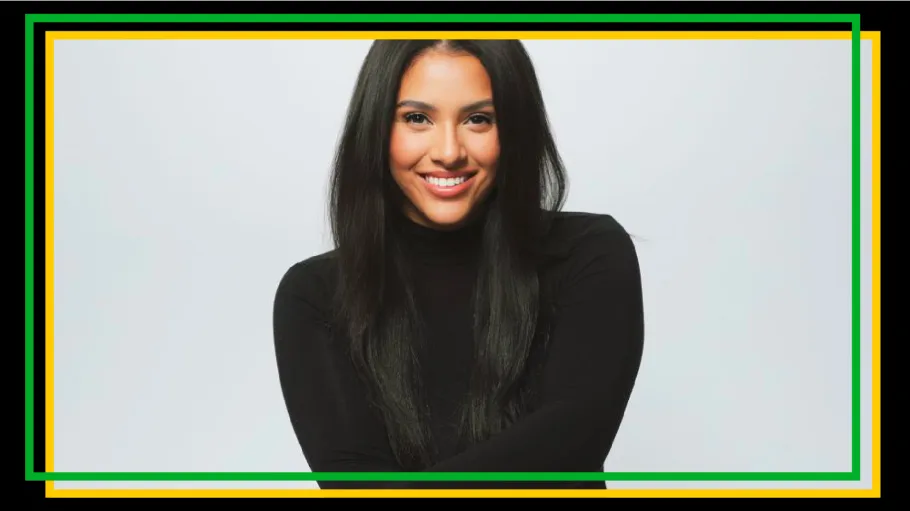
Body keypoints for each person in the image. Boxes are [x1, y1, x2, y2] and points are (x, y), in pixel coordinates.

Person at [272, 39, 645, 489]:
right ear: (376, 128)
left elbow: (572, 438)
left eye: (478, 119)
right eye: (417, 118)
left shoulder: (589, 254)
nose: (449, 151)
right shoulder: (314, 295)